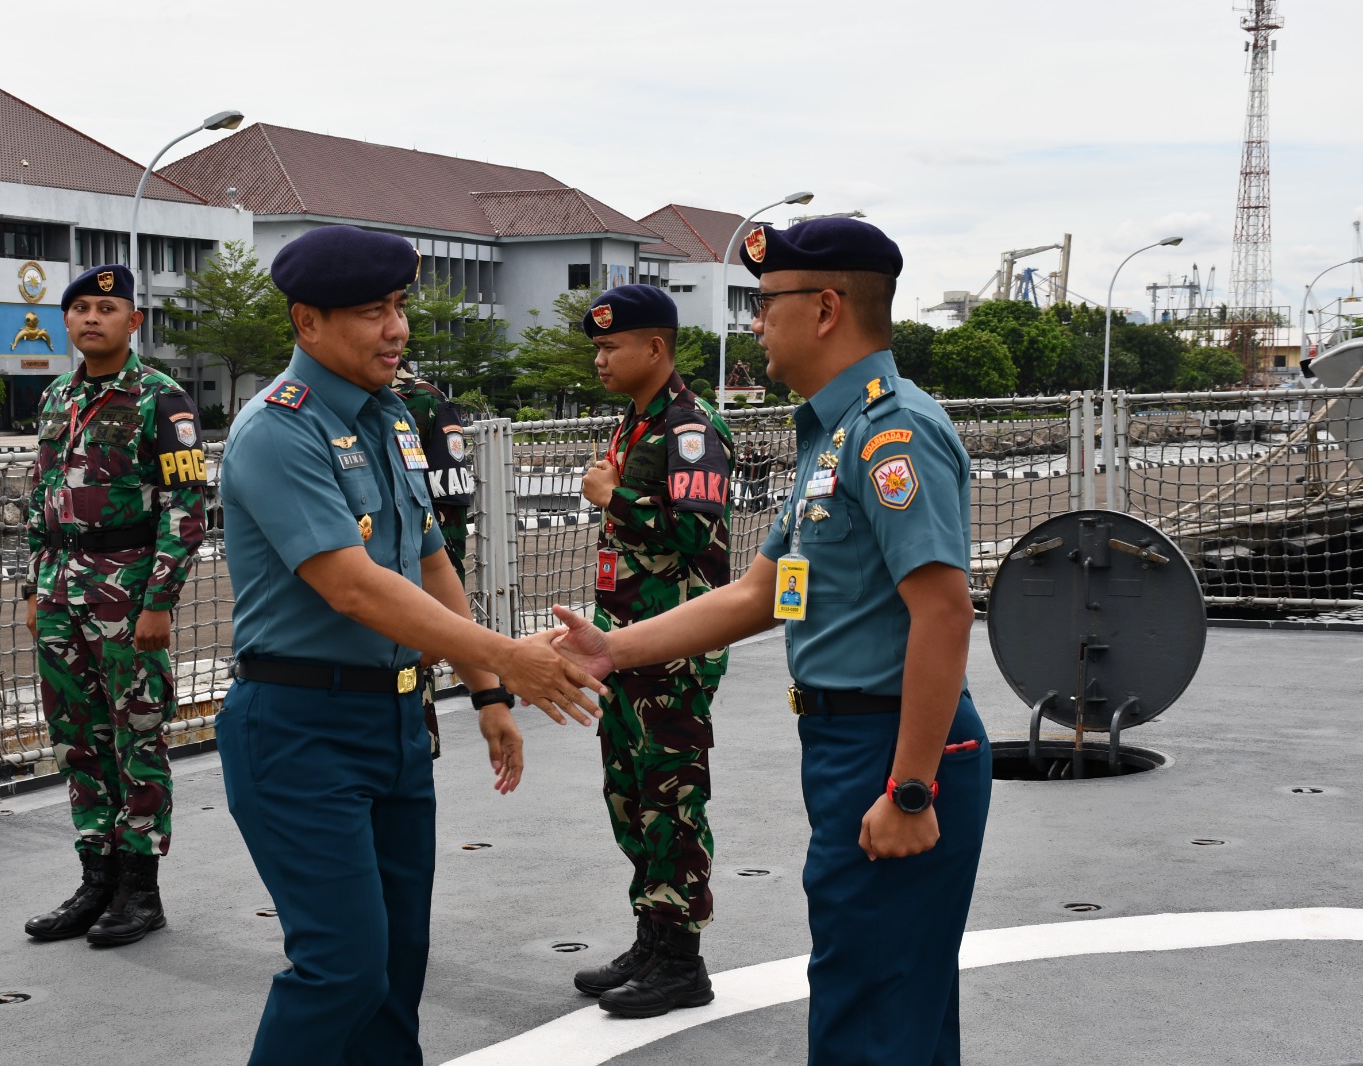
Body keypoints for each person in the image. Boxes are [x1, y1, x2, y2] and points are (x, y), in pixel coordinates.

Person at [551, 217, 990, 1065]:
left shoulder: (892, 432)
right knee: (887, 1004)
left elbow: (944, 613)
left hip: (893, 745)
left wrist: (910, 789)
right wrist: (613, 650)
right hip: (847, 740)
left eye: (766, 303)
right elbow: (761, 594)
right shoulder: (829, 437)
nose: (754, 323)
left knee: (871, 1011)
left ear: (825, 308)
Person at [214, 225, 605, 1066]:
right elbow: (352, 584)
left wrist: (487, 692)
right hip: (298, 728)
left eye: (398, 307)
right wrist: (508, 654)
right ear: (306, 322)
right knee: (341, 970)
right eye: (370, 311)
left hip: (392, 727)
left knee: (397, 967)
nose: (396, 328)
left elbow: (430, 560)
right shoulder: (279, 430)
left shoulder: (391, 416)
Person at [22, 264, 207, 947]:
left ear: (134, 322)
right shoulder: (56, 397)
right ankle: (93, 880)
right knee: (78, 740)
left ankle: (139, 891)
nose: (91, 317)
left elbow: (187, 508)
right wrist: (34, 587)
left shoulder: (161, 398)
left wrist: (158, 602)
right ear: (65, 323)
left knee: (137, 738)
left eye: (107, 307)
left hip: (126, 592)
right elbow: (42, 498)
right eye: (80, 308)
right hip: (60, 592)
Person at [571, 284, 734, 1018]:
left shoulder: (689, 428)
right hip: (625, 646)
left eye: (612, 347)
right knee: (630, 797)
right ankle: (651, 931)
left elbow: (699, 536)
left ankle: (682, 959)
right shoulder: (635, 423)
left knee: (672, 801)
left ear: (656, 350)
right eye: (598, 348)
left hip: (673, 651)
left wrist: (614, 498)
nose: (600, 359)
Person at [391, 359, 475, 759]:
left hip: (407, 600)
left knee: (408, 758)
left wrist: (442, 618)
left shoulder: (424, 401)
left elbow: (448, 514)